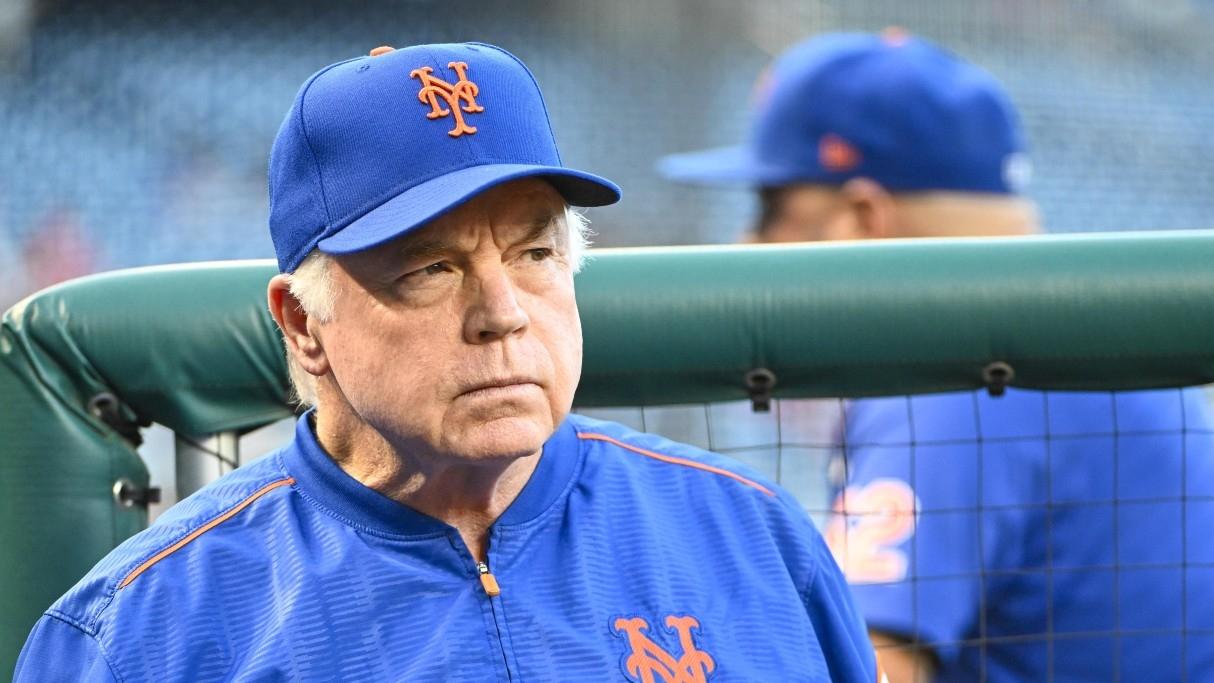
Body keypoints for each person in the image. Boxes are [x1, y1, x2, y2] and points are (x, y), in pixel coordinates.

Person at [15, 42, 879, 681]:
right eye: (432, 268)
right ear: (304, 325)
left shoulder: (754, 537)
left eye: (536, 253)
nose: (502, 313)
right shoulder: (139, 629)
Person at [659, 30, 1214, 682]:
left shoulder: (959, 381)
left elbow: (868, 671)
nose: (744, 243)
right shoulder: (1098, 346)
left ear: (863, 216)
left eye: (769, 210)